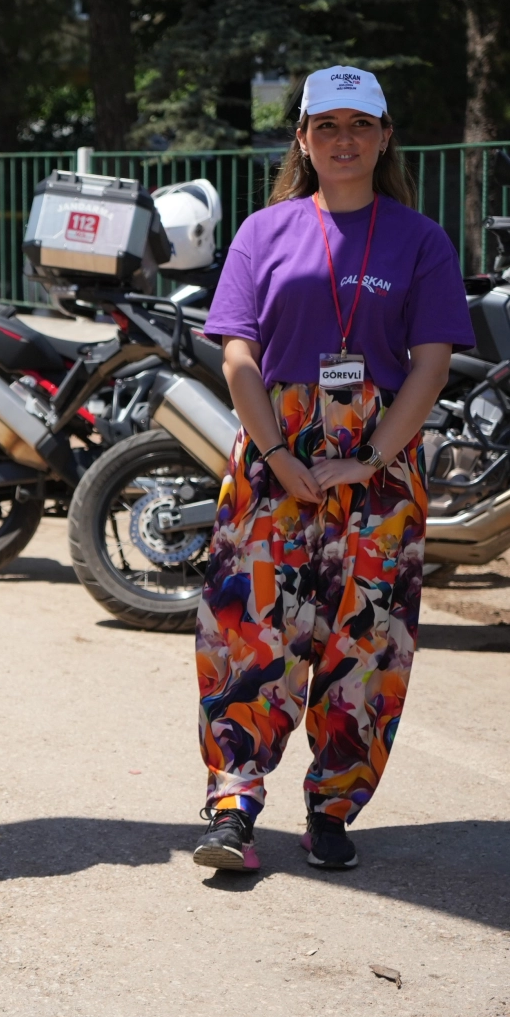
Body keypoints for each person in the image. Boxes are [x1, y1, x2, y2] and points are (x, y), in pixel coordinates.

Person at [192, 66, 474, 873]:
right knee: (249, 627)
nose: (343, 140)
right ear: (304, 140)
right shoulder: (264, 232)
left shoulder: (421, 240)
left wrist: (374, 456)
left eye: (360, 124)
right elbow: (239, 354)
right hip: (272, 447)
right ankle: (233, 803)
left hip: (380, 457)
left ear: (385, 137)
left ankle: (333, 807)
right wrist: (278, 454)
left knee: (367, 637)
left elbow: (430, 361)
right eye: (326, 126)